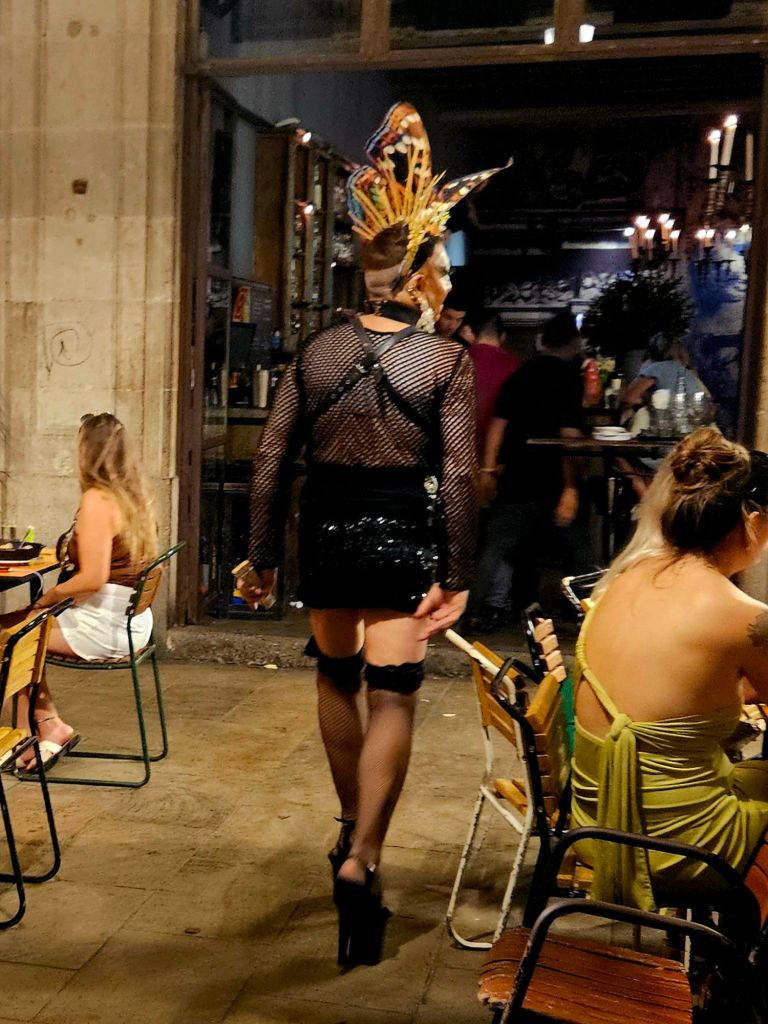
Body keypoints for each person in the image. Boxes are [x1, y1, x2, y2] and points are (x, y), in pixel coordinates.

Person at [242, 101, 507, 967]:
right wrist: (458, 571)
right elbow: (459, 474)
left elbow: (272, 456)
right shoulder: (445, 361)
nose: (447, 282)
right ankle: (363, 857)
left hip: (326, 529)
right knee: (393, 696)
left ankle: (348, 825)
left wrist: (260, 556)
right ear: (421, 270)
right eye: (442, 267)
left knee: (335, 678)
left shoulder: (315, 352)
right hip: (402, 532)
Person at [572, 427, 768, 910]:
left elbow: (677, 688)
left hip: (592, 828)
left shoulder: (628, 577)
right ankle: (741, 949)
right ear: (752, 522)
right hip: (676, 848)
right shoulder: (742, 616)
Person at [8, 413, 158, 774]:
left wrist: (48, 598)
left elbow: (92, 578)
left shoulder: (97, 500)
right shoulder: (133, 496)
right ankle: (46, 726)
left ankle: (25, 738)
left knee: (13, 636)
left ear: (86, 453)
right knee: (21, 628)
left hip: (102, 626)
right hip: (131, 621)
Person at [465, 310, 583, 632]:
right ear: (573, 342)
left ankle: (470, 612)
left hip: (516, 474)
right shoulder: (569, 378)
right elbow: (569, 436)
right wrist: (571, 487)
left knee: (496, 548)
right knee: (576, 550)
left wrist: (488, 471)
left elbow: (497, 426)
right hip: (552, 477)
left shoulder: (520, 373)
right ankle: (582, 612)